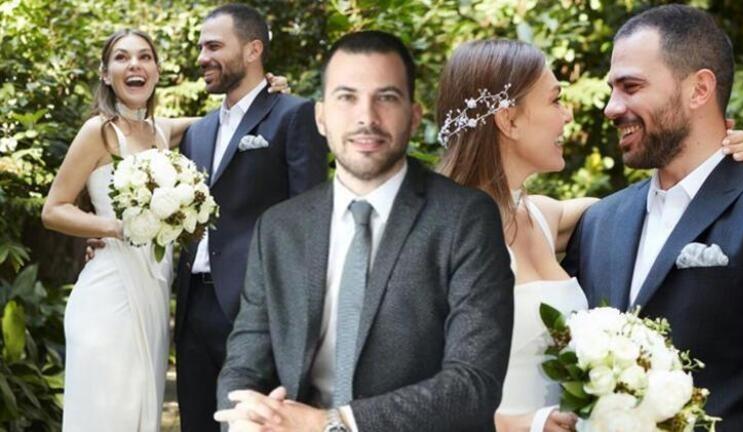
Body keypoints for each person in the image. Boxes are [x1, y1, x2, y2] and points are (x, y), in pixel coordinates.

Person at [436, 38, 743, 432]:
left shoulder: (546, 218)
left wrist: (715, 165)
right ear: (509, 120)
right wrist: (525, 425)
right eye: (555, 100)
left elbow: (657, 214)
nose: (568, 115)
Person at [214, 30, 514, 432]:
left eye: (386, 97)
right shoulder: (279, 228)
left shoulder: (465, 218)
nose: (366, 118)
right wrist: (247, 420)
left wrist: (330, 424)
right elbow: (243, 365)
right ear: (321, 117)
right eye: (347, 97)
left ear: (414, 116)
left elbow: (473, 384)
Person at [562, 5, 743, 431]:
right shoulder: (599, 221)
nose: (611, 108)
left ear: (699, 90)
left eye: (631, 87)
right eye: (612, 89)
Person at [173, 4, 328, 432]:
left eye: (214, 47)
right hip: (193, 308)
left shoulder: (294, 115)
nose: (202, 57)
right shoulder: (197, 132)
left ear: (253, 50)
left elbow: (310, 223)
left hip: (258, 313)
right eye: (201, 47)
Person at [41, 29, 196, 432]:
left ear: (157, 70)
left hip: (154, 290)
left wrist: (268, 89)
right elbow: (53, 210)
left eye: (145, 57)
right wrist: (116, 227)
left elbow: (230, 117)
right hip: (109, 294)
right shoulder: (98, 131)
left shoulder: (163, 131)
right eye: (122, 58)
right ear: (106, 73)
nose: (135, 65)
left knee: (141, 410)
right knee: (108, 414)